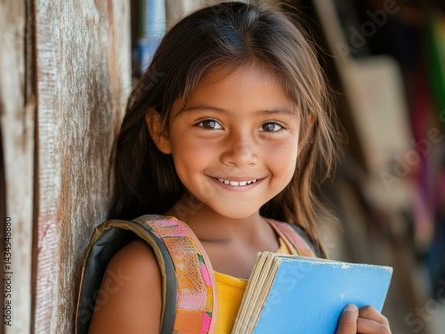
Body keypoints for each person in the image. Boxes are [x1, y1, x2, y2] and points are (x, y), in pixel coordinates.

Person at [86, 1, 391, 333]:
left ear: (302, 134)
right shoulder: (146, 273)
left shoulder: (306, 257)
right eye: (210, 123)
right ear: (161, 129)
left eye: (271, 126)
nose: (241, 153)